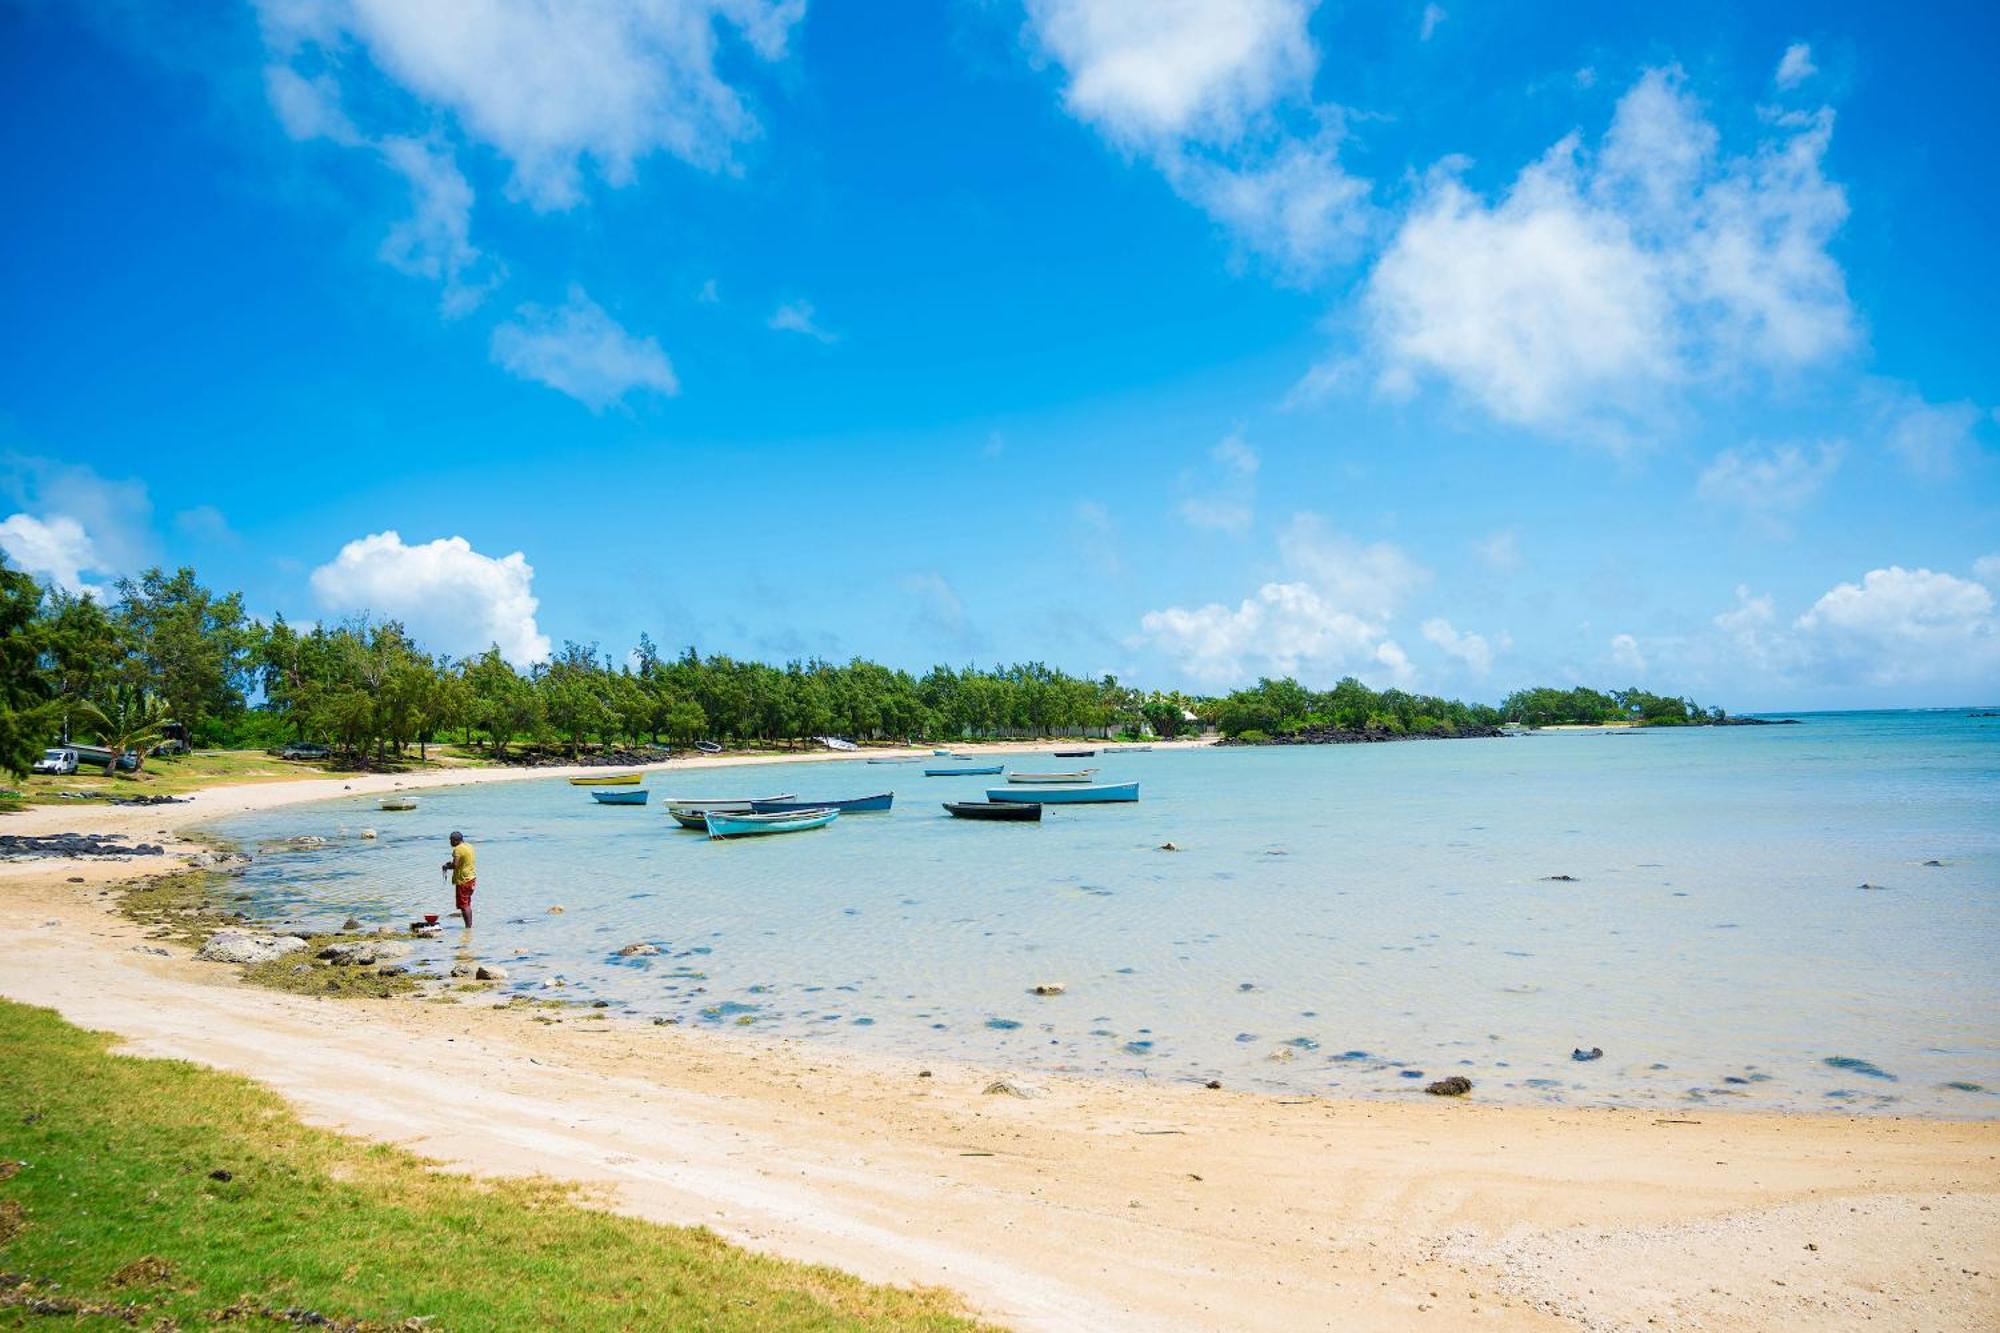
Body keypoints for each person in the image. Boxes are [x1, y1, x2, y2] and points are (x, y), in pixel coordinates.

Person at [441, 831, 477, 928]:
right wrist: (451, 863)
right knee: (467, 903)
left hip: (463, 880)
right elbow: (463, 861)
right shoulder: (469, 846)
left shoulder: (457, 849)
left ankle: (468, 928)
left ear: (456, 840)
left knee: (464, 905)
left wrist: (447, 866)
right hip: (472, 878)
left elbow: (455, 865)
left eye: (451, 840)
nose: (450, 842)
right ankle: (469, 926)